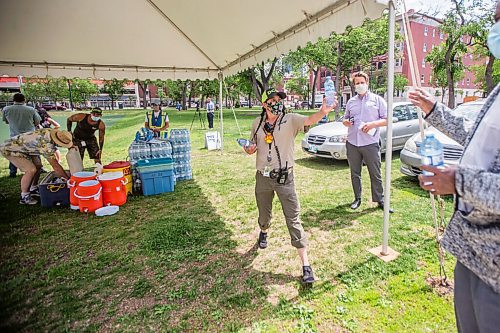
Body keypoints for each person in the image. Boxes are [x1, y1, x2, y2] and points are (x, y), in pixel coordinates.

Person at [409, 4, 500, 328]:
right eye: (496, 21)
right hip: (472, 249)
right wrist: (435, 110)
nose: (495, 30)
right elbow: (477, 139)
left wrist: (458, 181)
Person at [244, 88, 336, 283]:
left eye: (279, 99)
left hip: (285, 178)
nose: (277, 103)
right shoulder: (257, 123)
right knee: (264, 213)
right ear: (264, 104)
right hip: (263, 177)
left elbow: (310, 119)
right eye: (273, 100)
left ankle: (306, 265)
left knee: (293, 218)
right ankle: (264, 230)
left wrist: (323, 112)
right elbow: (252, 146)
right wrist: (249, 149)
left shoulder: (290, 119)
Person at [342, 71, 392, 212]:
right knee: (355, 173)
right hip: (352, 143)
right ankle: (357, 198)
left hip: (370, 142)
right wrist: (346, 122)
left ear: (367, 83)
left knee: (375, 173)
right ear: (354, 85)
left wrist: (372, 125)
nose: (360, 85)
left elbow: (388, 119)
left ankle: (380, 199)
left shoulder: (377, 100)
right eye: (357, 83)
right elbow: (346, 119)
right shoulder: (351, 102)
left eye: (362, 82)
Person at [0, 128, 73, 205]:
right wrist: (68, 180)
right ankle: (24, 197)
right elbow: (55, 166)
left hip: (26, 148)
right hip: (10, 149)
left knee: (38, 166)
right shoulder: (46, 145)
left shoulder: (50, 131)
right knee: (30, 170)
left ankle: (33, 188)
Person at [2, 93, 41, 178]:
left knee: (14, 154)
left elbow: (6, 121)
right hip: (30, 135)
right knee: (34, 154)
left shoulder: (6, 109)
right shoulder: (31, 109)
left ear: (13, 100)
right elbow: (37, 121)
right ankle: (39, 169)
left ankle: (13, 172)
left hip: (15, 136)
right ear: (24, 99)